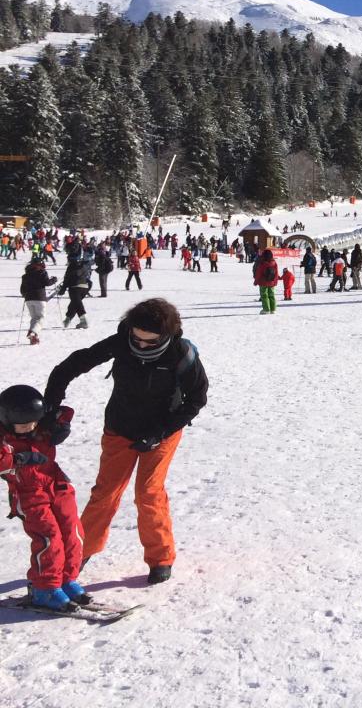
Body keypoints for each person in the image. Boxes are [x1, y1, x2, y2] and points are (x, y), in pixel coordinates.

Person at [44, 298, 208, 585]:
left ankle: (161, 557)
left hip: (163, 430)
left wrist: (159, 432)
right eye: (137, 338)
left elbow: (196, 399)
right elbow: (71, 365)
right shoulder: (121, 342)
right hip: (120, 426)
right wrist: (51, 404)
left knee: (148, 492)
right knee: (105, 492)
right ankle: (80, 551)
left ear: (166, 336)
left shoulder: (181, 354)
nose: (141, 345)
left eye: (150, 341)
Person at [0, 384, 89, 611]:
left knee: (72, 531)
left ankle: (66, 579)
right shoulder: (5, 440)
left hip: (57, 486)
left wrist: (59, 422)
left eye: (33, 422)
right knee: (49, 537)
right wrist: (19, 459)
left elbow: (65, 412)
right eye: (23, 425)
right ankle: (45, 588)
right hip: (28, 495)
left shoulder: (40, 427)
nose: (30, 428)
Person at [20, 256, 56, 345]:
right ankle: (33, 332)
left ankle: (34, 337)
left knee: (34, 318)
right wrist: (54, 280)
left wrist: (26, 295)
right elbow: (47, 283)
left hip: (28, 299)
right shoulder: (41, 272)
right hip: (39, 298)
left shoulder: (25, 275)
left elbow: (22, 289)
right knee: (40, 317)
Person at [58, 242, 93, 329]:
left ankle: (84, 321)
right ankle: (67, 319)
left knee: (77, 304)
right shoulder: (83, 265)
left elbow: (67, 278)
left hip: (75, 287)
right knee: (75, 303)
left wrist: (62, 289)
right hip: (85, 286)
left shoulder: (71, 266)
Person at [254, 249, 279, 314]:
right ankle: (273, 309)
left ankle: (266, 309)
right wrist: (275, 281)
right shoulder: (274, 262)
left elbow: (258, 273)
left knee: (264, 295)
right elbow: (276, 273)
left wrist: (256, 281)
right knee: (272, 295)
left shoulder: (262, 263)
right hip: (272, 282)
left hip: (263, 282)